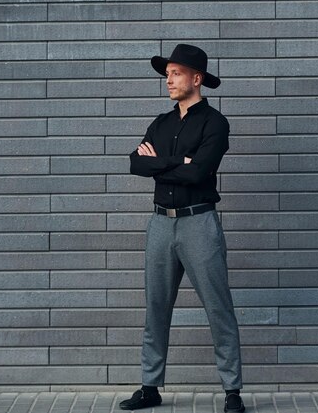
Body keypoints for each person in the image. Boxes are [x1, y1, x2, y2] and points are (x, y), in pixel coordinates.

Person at [120, 44, 244, 413]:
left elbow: (198, 172)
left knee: (218, 307)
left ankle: (232, 390)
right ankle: (149, 386)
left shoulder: (215, 123)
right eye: (167, 73)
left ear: (196, 78)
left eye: (175, 73)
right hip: (160, 224)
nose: (168, 80)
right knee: (156, 307)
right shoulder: (161, 123)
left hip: (199, 223)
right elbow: (134, 164)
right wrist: (178, 160)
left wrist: (160, 162)